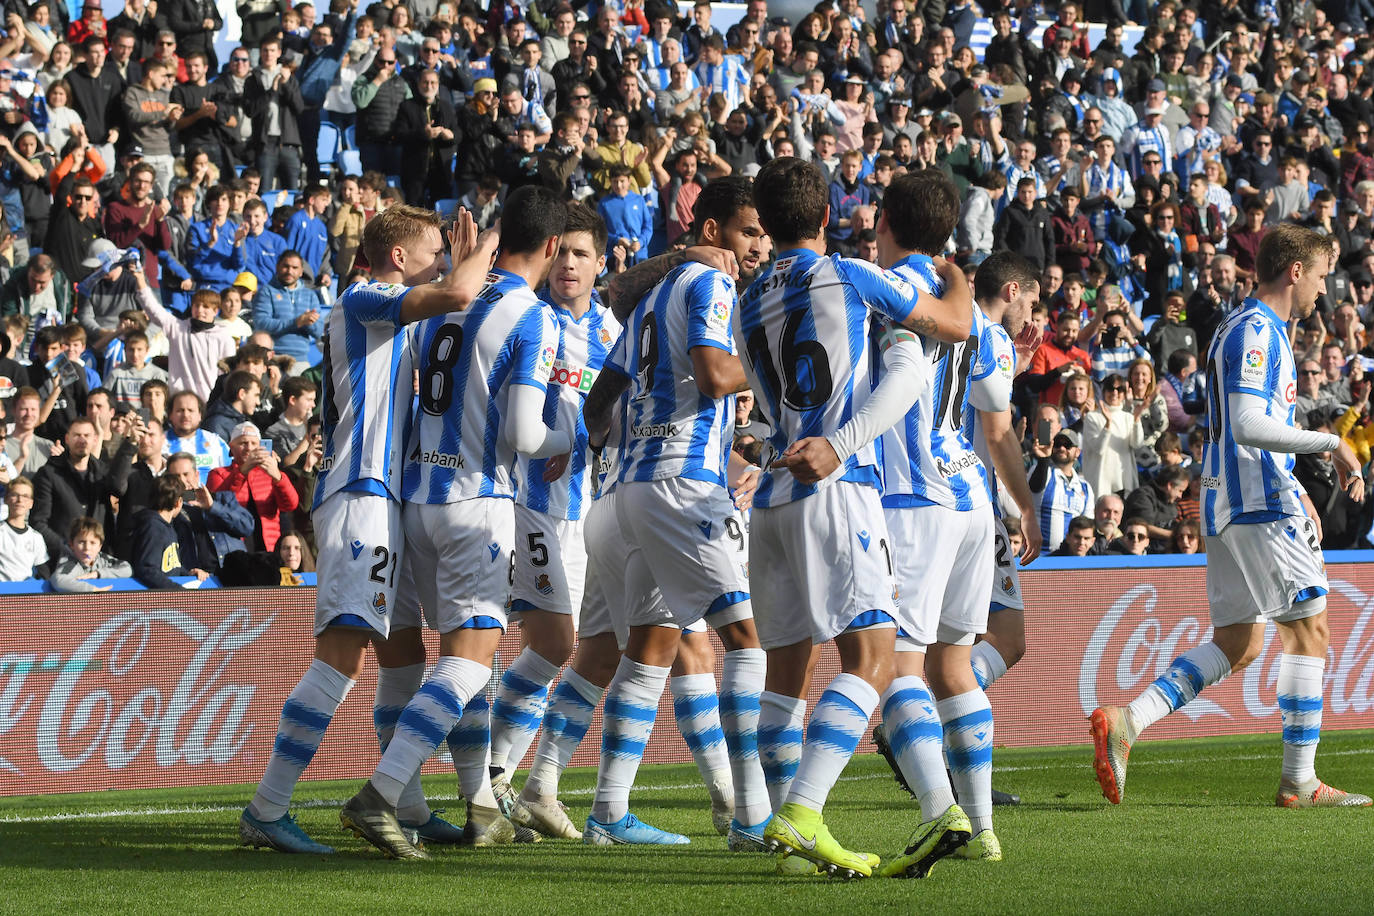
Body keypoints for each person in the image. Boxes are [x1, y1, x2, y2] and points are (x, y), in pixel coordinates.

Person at [734, 157, 970, 878]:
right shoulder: (851, 275)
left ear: (763, 223)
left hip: (773, 498)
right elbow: (951, 328)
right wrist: (957, 276)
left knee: (783, 677)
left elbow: (764, 411)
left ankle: (788, 846)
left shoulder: (745, 301)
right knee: (871, 657)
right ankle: (804, 812)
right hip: (837, 488)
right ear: (828, 214)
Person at [240, 201, 499, 856]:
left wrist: (464, 264)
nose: (441, 265)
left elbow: (459, 302)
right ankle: (267, 807)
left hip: (389, 498)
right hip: (359, 491)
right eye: (433, 254)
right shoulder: (362, 297)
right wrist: (491, 241)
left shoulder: (398, 313)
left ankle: (405, 804)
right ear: (398, 258)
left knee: (403, 654)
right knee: (342, 652)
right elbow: (460, 292)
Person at [1092, 224, 1372, 810]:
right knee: (1309, 631)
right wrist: (1330, 445)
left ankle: (1128, 720)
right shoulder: (1256, 330)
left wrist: (1296, 486)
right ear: (1296, 271)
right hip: (1255, 498)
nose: (1324, 289)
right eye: (1322, 276)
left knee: (1239, 642)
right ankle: (1300, 782)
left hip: (1233, 497)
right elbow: (1247, 423)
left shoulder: (1241, 325)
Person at [580, 177, 770, 850]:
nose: (759, 245)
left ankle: (607, 813)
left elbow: (598, 399)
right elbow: (716, 376)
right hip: (683, 485)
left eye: (764, 234)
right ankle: (752, 817)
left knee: (651, 648)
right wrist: (767, 362)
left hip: (629, 490)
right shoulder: (712, 284)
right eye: (749, 231)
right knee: (746, 641)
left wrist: (614, 440)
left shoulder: (651, 299)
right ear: (712, 230)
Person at [863, 169, 1008, 867]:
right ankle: (982, 828)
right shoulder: (965, 301)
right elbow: (993, 400)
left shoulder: (886, 292)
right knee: (954, 666)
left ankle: (938, 812)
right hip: (969, 491)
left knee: (897, 666)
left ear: (885, 223)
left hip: (914, 496)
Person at [481, 203, 616, 826]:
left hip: (586, 512)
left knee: (562, 649)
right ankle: (494, 775)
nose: (568, 264)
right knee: (551, 643)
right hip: (525, 504)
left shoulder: (613, 333)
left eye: (582, 254)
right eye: (561, 252)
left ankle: (510, 780)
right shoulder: (530, 320)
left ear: (601, 263)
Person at [30, 415, 137, 559]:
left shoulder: (102, 473)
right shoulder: (48, 474)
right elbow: (38, 522)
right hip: (61, 560)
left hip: (99, 560)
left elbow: (117, 487)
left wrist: (131, 443)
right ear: (67, 439)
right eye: (77, 435)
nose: (82, 440)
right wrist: (67, 550)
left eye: (87, 435)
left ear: (95, 440)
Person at [208, 420, 299, 552]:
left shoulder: (269, 473)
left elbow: (290, 505)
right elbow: (219, 504)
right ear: (231, 448)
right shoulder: (218, 474)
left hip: (269, 547)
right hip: (234, 547)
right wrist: (242, 471)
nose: (249, 448)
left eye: (254, 443)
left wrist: (278, 477)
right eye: (243, 443)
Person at [128, 475, 212, 588]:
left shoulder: (167, 526)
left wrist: (188, 573)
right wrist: (177, 590)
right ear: (178, 502)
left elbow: (170, 567)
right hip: (156, 596)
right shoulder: (153, 527)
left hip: (167, 593)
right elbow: (147, 569)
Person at [250, 250, 324, 365]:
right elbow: (261, 324)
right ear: (277, 267)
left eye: (295, 268)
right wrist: (296, 322)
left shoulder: (310, 295)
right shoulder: (266, 292)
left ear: (301, 271)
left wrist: (309, 322)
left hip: (300, 361)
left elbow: (319, 331)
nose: (290, 271)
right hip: (272, 358)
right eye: (286, 266)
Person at [1029, 428, 1094, 552]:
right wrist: (1043, 459)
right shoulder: (1042, 471)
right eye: (1057, 444)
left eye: (1067, 445)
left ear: (1077, 452)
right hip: (1039, 554)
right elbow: (1035, 486)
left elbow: (1087, 525)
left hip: (1069, 557)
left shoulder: (1085, 487)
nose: (1062, 448)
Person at [49, 515, 132, 592]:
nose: (87, 548)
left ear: (100, 546)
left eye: (92, 543)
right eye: (81, 542)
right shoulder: (70, 563)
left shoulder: (103, 559)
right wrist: (92, 589)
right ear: (72, 545)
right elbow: (58, 580)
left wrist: (98, 574)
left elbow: (127, 568)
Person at [0, 476, 50, 581]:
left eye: (25, 496)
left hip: (25, 590)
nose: (20, 500)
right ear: (6, 499)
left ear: (31, 503)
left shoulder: (36, 538)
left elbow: (44, 573)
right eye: (15, 495)